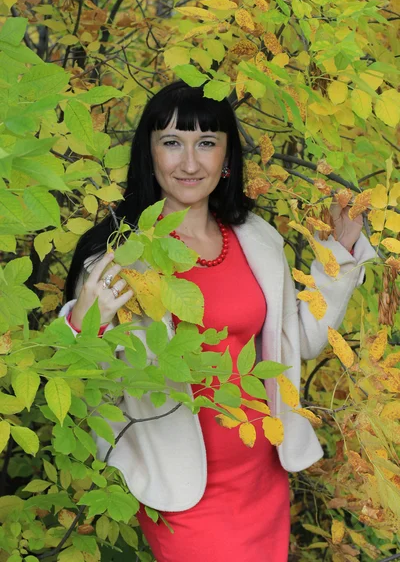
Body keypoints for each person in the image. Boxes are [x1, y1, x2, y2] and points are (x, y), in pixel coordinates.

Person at [60, 80, 376, 561]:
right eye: (172, 143)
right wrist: (85, 319)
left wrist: (341, 253)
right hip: (181, 488)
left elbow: (299, 342)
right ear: (149, 155)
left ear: (227, 157)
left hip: (262, 474)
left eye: (206, 143)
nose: (190, 163)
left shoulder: (257, 238)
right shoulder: (121, 255)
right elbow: (80, 382)